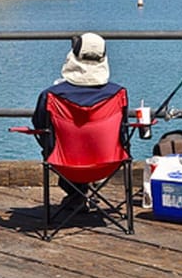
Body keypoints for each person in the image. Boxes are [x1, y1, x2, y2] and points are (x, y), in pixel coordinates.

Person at [33, 32, 127, 208]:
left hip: (64, 163)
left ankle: (76, 192)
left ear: (72, 57)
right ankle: (82, 192)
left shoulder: (51, 95)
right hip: (107, 162)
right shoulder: (118, 94)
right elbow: (122, 131)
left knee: (51, 139)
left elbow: (38, 124)